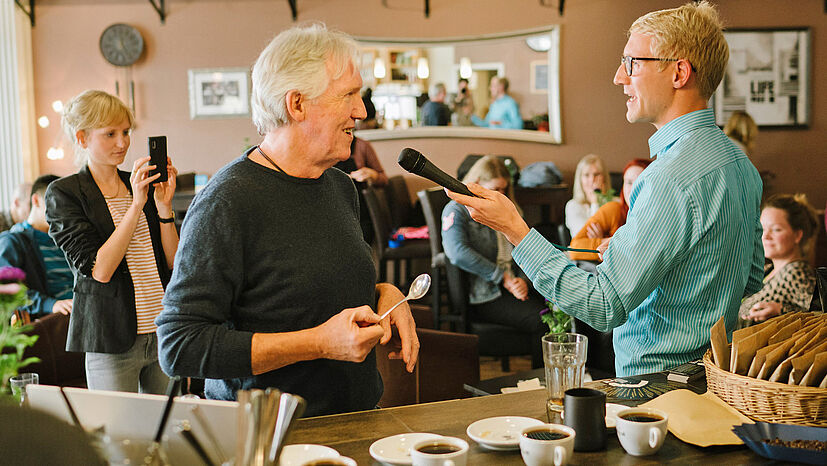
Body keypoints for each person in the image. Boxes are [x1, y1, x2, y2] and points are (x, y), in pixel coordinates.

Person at [445, 1, 764, 377]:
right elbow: (749, 277)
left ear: (679, 72)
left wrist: (514, 229)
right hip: (713, 377)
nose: (619, 76)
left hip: (656, 387)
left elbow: (603, 306)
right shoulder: (739, 164)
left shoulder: (668, 179)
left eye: (632, 63)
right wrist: (644, 254)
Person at [155, 24, 419, 417]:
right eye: (349, 94)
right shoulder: (228, 202)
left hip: (357, 420)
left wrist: (384, 293)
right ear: (296, 104)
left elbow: (308, 290)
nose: (361, 111)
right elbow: (179, 345)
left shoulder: (339, 186)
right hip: (274, 437)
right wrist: (317, 343)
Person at [45, 90, 178, 394]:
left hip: (161, 328)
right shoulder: (64, 193)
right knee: (118, 436)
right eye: (110, 134)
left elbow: (174, 263)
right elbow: (99, 270)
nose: (123, 143)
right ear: (82, 138)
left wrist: (163, 208)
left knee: (169, 431)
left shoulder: (140, 185)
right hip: (110, 339)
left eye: (126, 132)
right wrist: (134, 206)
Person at [442, 156, 547, 368]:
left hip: (512, 283)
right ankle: (540, 384)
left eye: (504, 190)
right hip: (485, 292)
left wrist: (521, 279)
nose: (501, 196)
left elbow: (523, 248)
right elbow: (457, 252)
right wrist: (503, 277)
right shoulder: (456, 210)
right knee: (542, 321)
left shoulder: (510, 209)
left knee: (561, 306)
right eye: (495, 189)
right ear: (477, 183)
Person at [0, 175, 73, 319]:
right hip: (55, 320)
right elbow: (7, 290)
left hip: (82, 312)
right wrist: (51, 304)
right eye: (57, 204)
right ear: (36, 200)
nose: (63, 212)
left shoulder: (66, 239)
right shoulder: (13, 241)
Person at [739, 194, 817, 326]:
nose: (766, 236)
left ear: (797, 235)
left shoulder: (798, 274)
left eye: (776, 230)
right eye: (762, 229)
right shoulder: (767, 270)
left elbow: (817, 320)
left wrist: (783, 311)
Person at [569, 158, 652, 261]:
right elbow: (574, 248)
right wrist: (610, 242)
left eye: (640, 182)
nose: (634, 188)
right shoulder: (614, 208)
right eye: (629, 182)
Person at [334, 135, 389, 242]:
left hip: (361, 213)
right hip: (334, 212)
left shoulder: (362, 145)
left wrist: (372, 175)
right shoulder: (321, 147)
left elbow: (384, 180)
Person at [564, 154, 611, 238]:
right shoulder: (572, 206)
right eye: (586, 175)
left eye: (596, 174)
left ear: (604, 178)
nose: (592, 180)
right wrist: (595, 203)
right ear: (580, 179)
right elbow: (585, 237)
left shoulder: (615, 202)